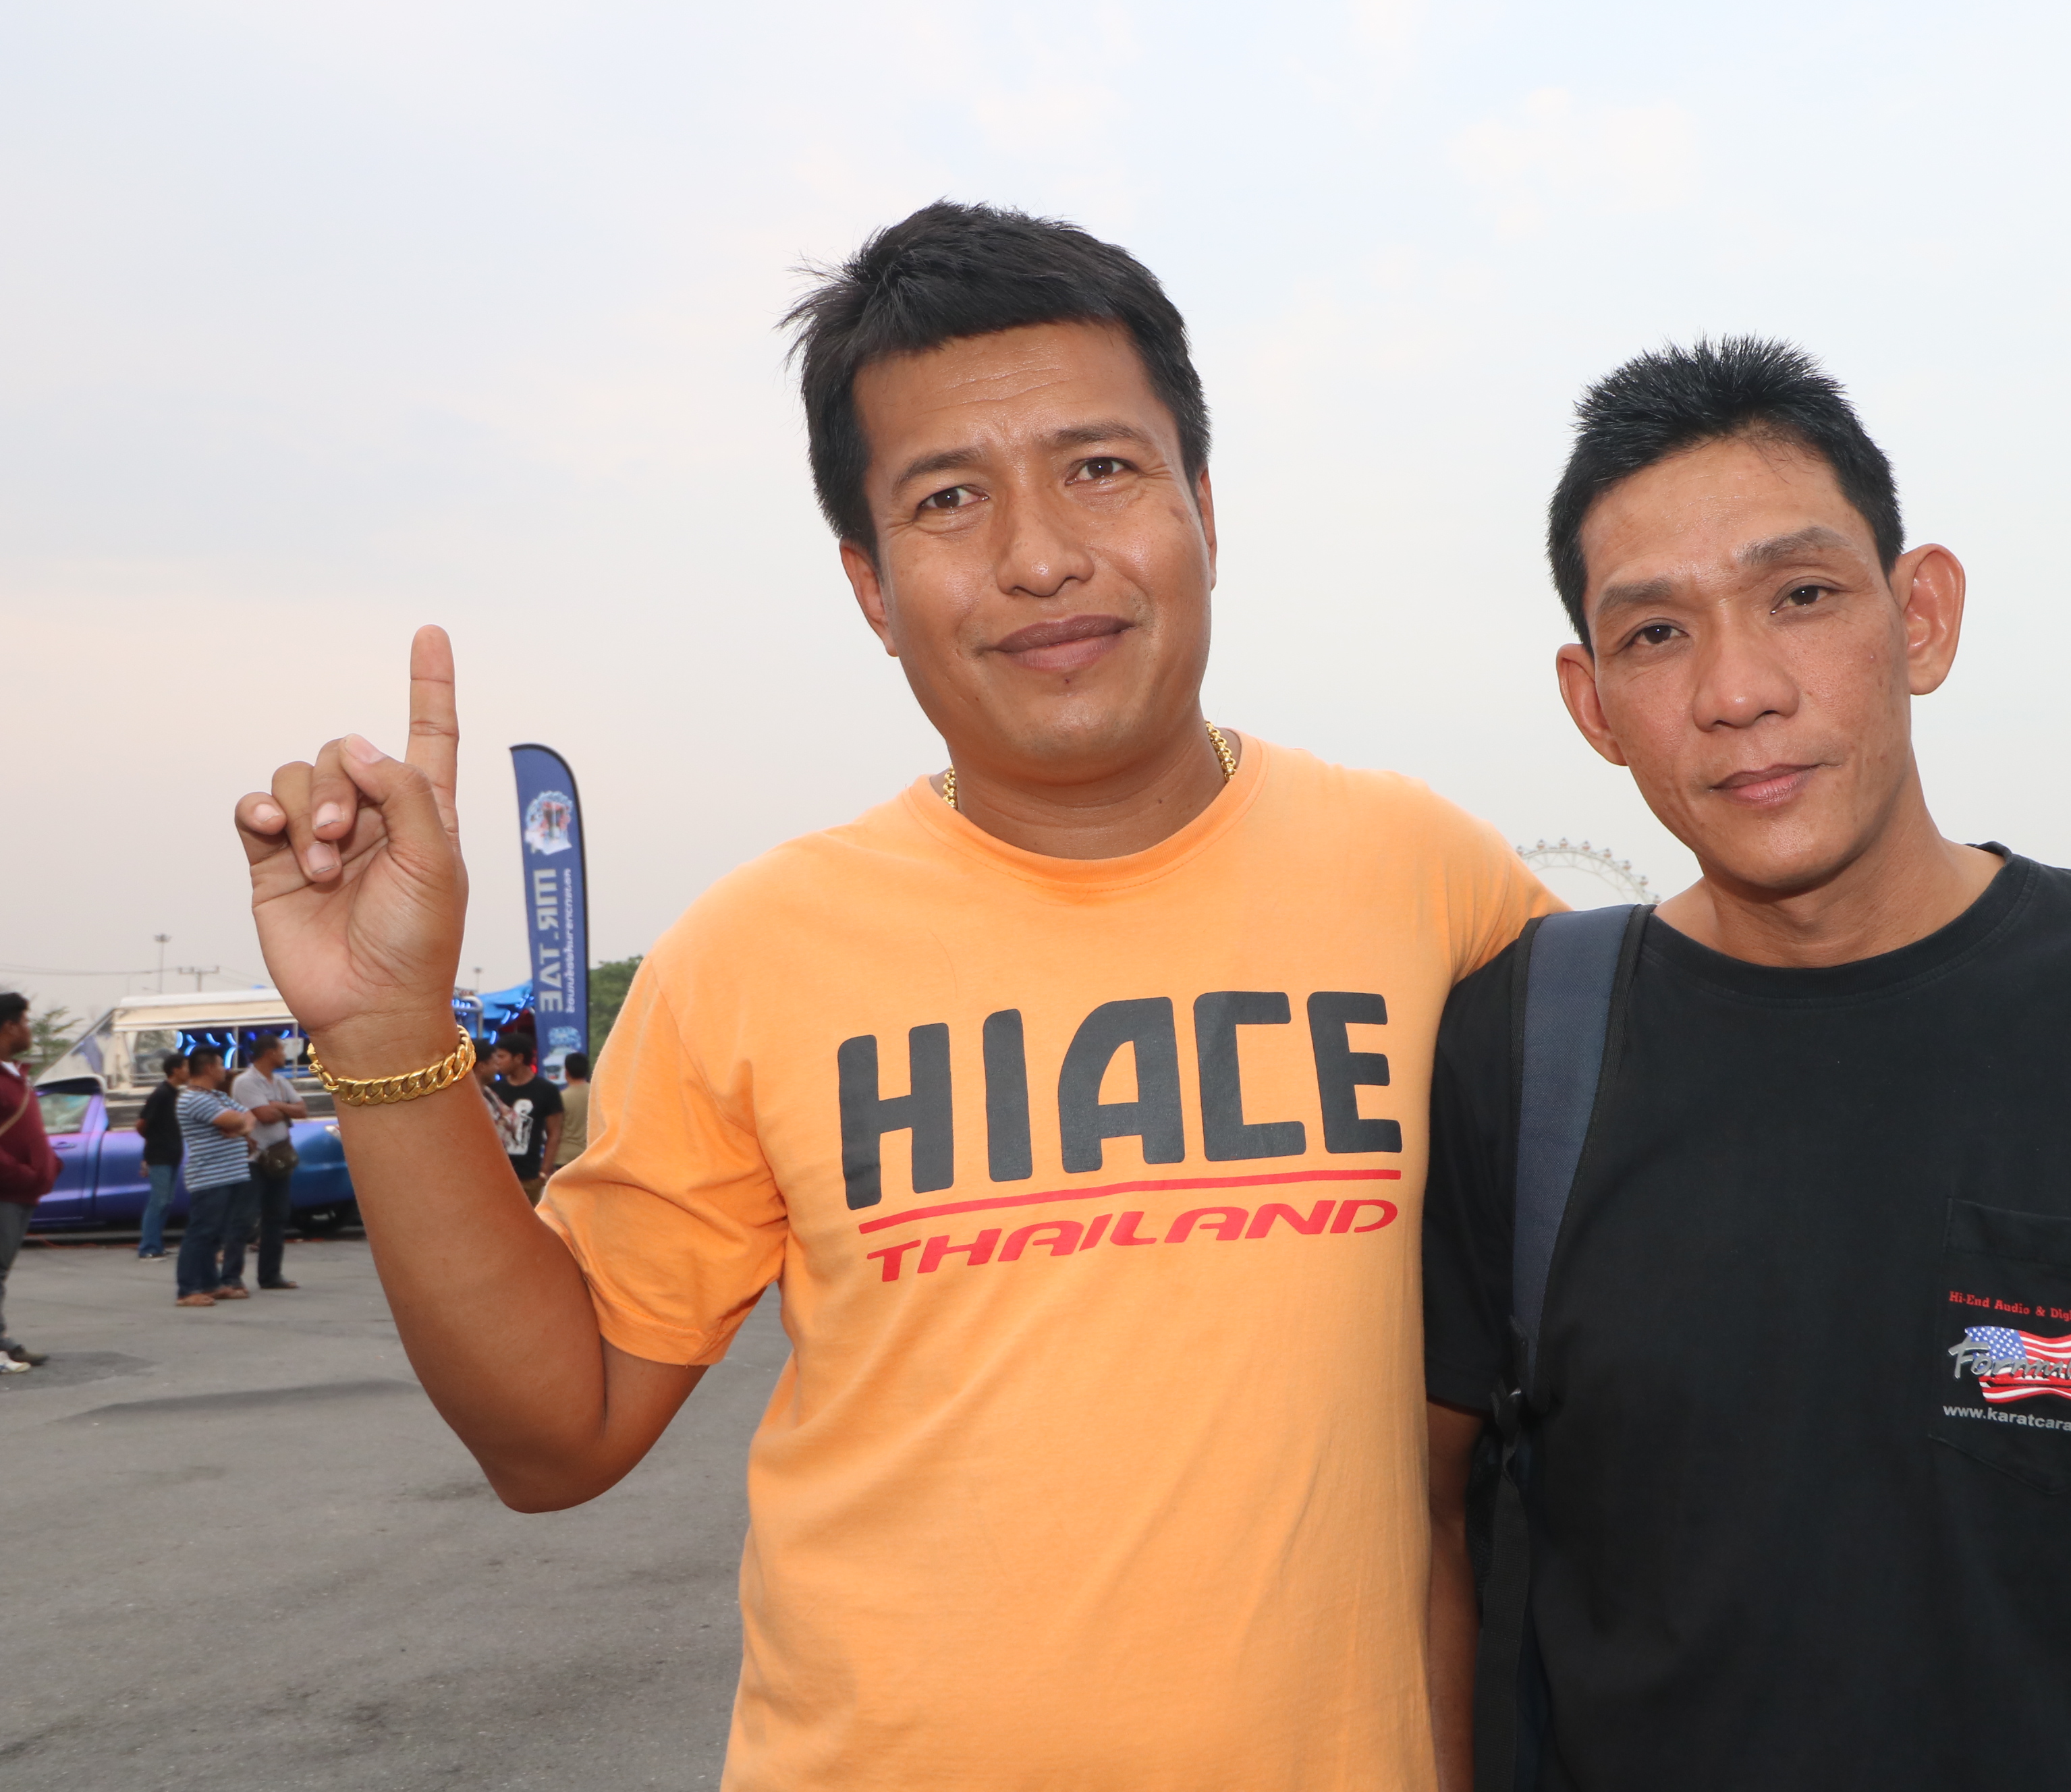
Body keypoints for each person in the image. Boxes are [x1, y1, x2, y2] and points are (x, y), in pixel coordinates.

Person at [231, 202, 1553, 1788]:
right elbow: (555, 1434)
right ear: (869, 584)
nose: (1040, 554)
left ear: (1204, 506)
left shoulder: (1429, 881)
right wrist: (389, 1034)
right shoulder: (757, 949)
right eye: (949, 497)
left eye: (1101, 466)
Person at [1420, 339, 2071, 1791]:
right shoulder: (1514, 1050)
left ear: (1922, 616)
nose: (1738, 690)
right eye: (1655, 634)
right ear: (1592, 704)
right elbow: (1423, 1541)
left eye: (1801, 595)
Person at [0, 991, 62, 1370]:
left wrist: (48, 1166)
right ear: (9, 1026)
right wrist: (22, 1174)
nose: (29, 1029)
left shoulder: (16, 1076)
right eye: (24, 1021)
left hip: (22, 1191)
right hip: (7, 1189)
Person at [171, 1046, 254, 1308]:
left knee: (216, 1234)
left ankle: (211, 1284)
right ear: (208, 1068)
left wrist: (239, 1128)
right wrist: (238, 1125)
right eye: (220, 1064)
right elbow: (234, 1119)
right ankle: (187, 1289)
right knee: (201, 1233)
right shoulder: (193, 1098)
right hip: (210, 1177)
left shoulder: (217, 1095)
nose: (224, 1070)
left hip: (230, 1173)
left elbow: (249, 1116)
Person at [230, 1035, 308, 1290]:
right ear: (269, 1053)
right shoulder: (246, 1082)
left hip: (278, 1158)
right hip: (253, 1159)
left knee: (277, 1216)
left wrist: (277, 1106)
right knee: (244, 1218)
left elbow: (302, 1109)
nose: (285, 1053)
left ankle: (270, 1275)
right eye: (281, 1049)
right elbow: (264, 1115)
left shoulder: (280, 1081)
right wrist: (281, 1108)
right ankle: (231, 1277)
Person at [484, 1032, 563, 1203]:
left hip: (530, 1175)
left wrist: (544, 1172)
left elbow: (554, 1132)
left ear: (519, 1058)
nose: (498, 1062)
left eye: (502, 1056)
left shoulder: (546, 1090)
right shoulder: (495, 1090)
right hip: (498, 1174)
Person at [134, 1051, 188, 1259]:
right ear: (175, 1070)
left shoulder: (175, 1094)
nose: (189, 1071)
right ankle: (148, 1246)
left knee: (166, 1201)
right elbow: (142, 1124)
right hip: (159, 1156)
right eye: (186, 1067)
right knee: (158, 1201)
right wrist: (154, 1141)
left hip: (173, 1154)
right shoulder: (162, 1094)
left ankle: (157, 1244)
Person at [551, 1051, 591, 1176]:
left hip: (564, 1157)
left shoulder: (561, 1098)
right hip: (590, 1155)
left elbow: (554, 1130)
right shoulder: (597, 1094)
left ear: (566, 1072)